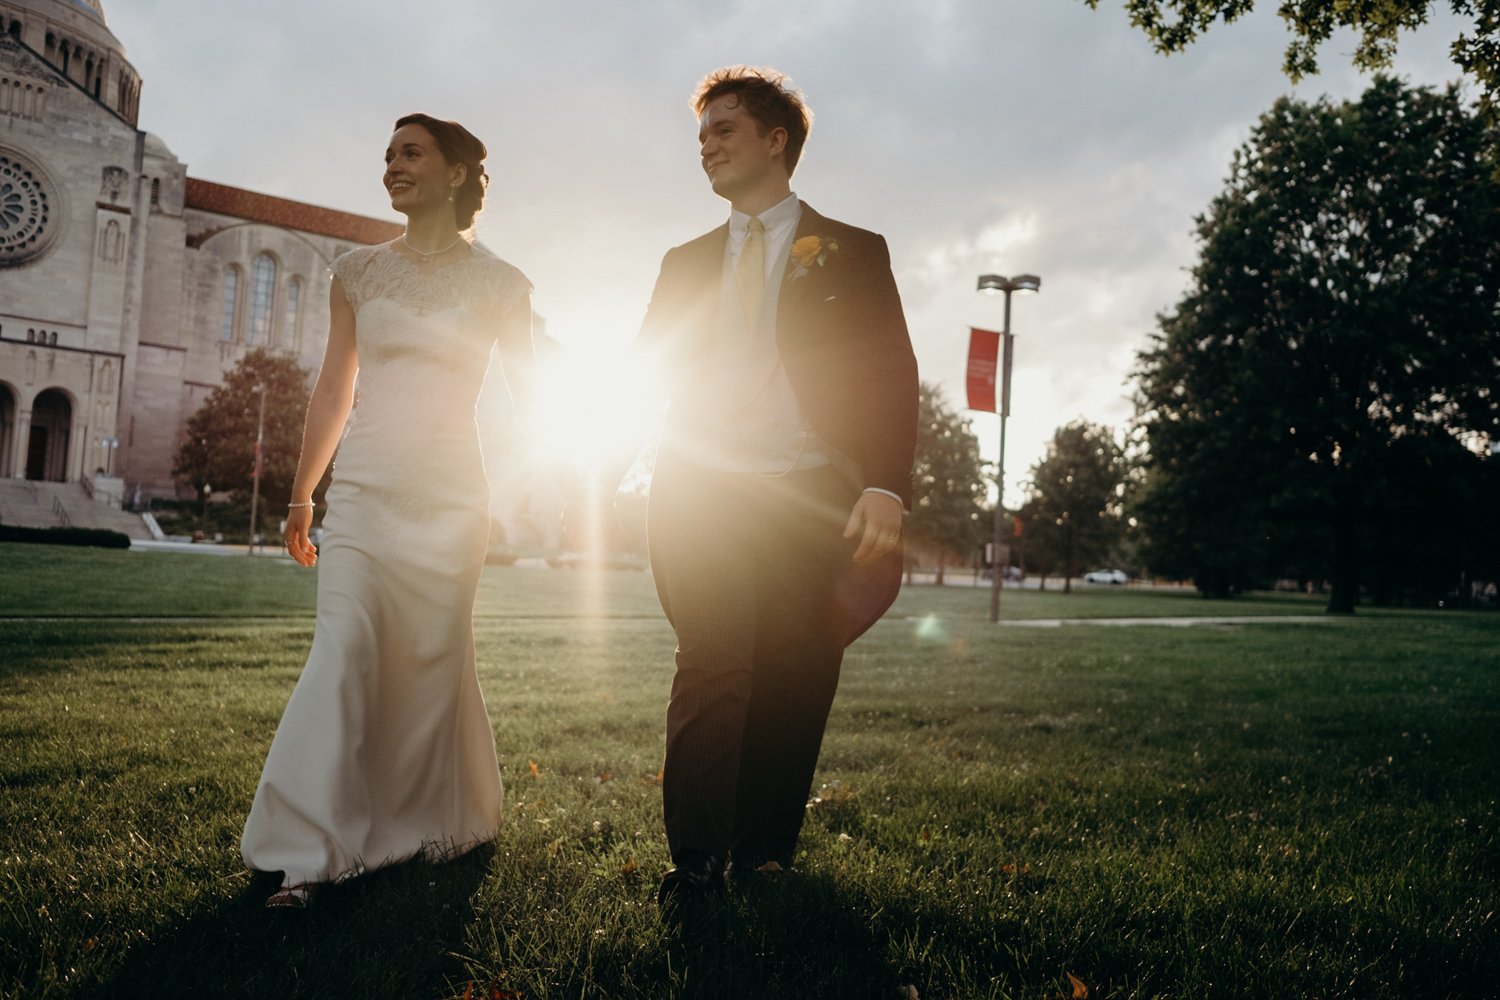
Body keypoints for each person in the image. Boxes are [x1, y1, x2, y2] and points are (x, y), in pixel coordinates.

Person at [635, 66, 918, 907]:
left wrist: (886, 486)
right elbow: (648, 369)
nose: (706, 149)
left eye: (723, 131)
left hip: (810, 497)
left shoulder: (854, 251)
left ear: (775, 140)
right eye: (700, 137)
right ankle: (694, 865)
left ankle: (763, 854)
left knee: (798, 672)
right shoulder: (683, 262)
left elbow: (889, 376)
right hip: (703, 495)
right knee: (711, 666)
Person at [241, 113, 537, 910]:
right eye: (387, 156)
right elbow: (335, 388)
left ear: (456, 173)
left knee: (431, 667)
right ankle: (305, 858)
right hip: (364, 494)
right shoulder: (356, 273)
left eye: (411, 154)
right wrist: (304, 494)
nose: (392, 167)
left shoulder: (504, 284)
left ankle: (423, 823)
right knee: (343, 652)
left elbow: (531, 400)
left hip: (451, 500)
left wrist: (523, 491)